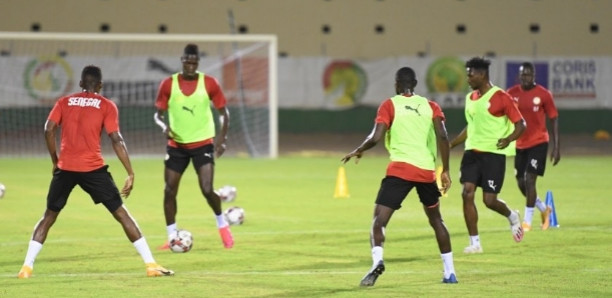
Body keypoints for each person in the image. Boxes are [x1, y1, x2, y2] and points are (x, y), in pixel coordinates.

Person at [17, 65, 173, 279]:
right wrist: (130, 172)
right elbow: (116, 139)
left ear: (81, 84)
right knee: (121, 214)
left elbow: (48, 129)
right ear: (100, 85)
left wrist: (55, 160)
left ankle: (26, 267)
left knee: (49, 216)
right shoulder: (107, 105)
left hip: (66, 168)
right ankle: (150, 264)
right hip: (93, 169)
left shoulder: (64, 101)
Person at [342, 67, 457, 286]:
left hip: (400, 171)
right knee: (436, 220)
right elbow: (443, 135)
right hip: (425, 172)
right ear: (415, 83)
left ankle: (377, 261)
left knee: (379, 221)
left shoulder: (390, 105)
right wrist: (446, 170)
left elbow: (376, 137)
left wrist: (359, 149)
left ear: (396, 84)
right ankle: (450, 272)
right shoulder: (431, 106)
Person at [153, 43, 233, 250]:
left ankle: (222, 224)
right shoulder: (168, 84)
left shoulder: (209, 83)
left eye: (194, 62)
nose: (190, 65)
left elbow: (224, 113)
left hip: (203, 143)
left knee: (207, 189)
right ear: (182, 61)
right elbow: (157, 114)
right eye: (187, 61)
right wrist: (164, 127)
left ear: (197, 63)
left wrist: (222, 139)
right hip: (176, 145)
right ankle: (172, 236)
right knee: (169, 191)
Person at [449, 57, 526, 254]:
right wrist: (452, 144)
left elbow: (521, 124)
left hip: (493, 156)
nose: (467, 79)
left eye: (470, 75)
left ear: (482, 75)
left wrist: (508, 139)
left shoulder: (501, 97)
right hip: (472, 153)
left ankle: (512, 216)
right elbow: (471, 126)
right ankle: (475, 243)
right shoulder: (470, 98)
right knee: (467, 193)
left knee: (489, 201)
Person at [507, 62, 560, 231]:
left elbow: (553, 118)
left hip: (539, 142)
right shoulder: (511, 93)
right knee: (521, 182)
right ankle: (545, 209)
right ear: (519, 76)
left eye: (529, 75)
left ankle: (527, 221)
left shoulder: (544, 95)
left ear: (534, 76)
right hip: (520, 144)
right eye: (523, 75)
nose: (526, 78)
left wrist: (556, 146)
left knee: (530, 179)